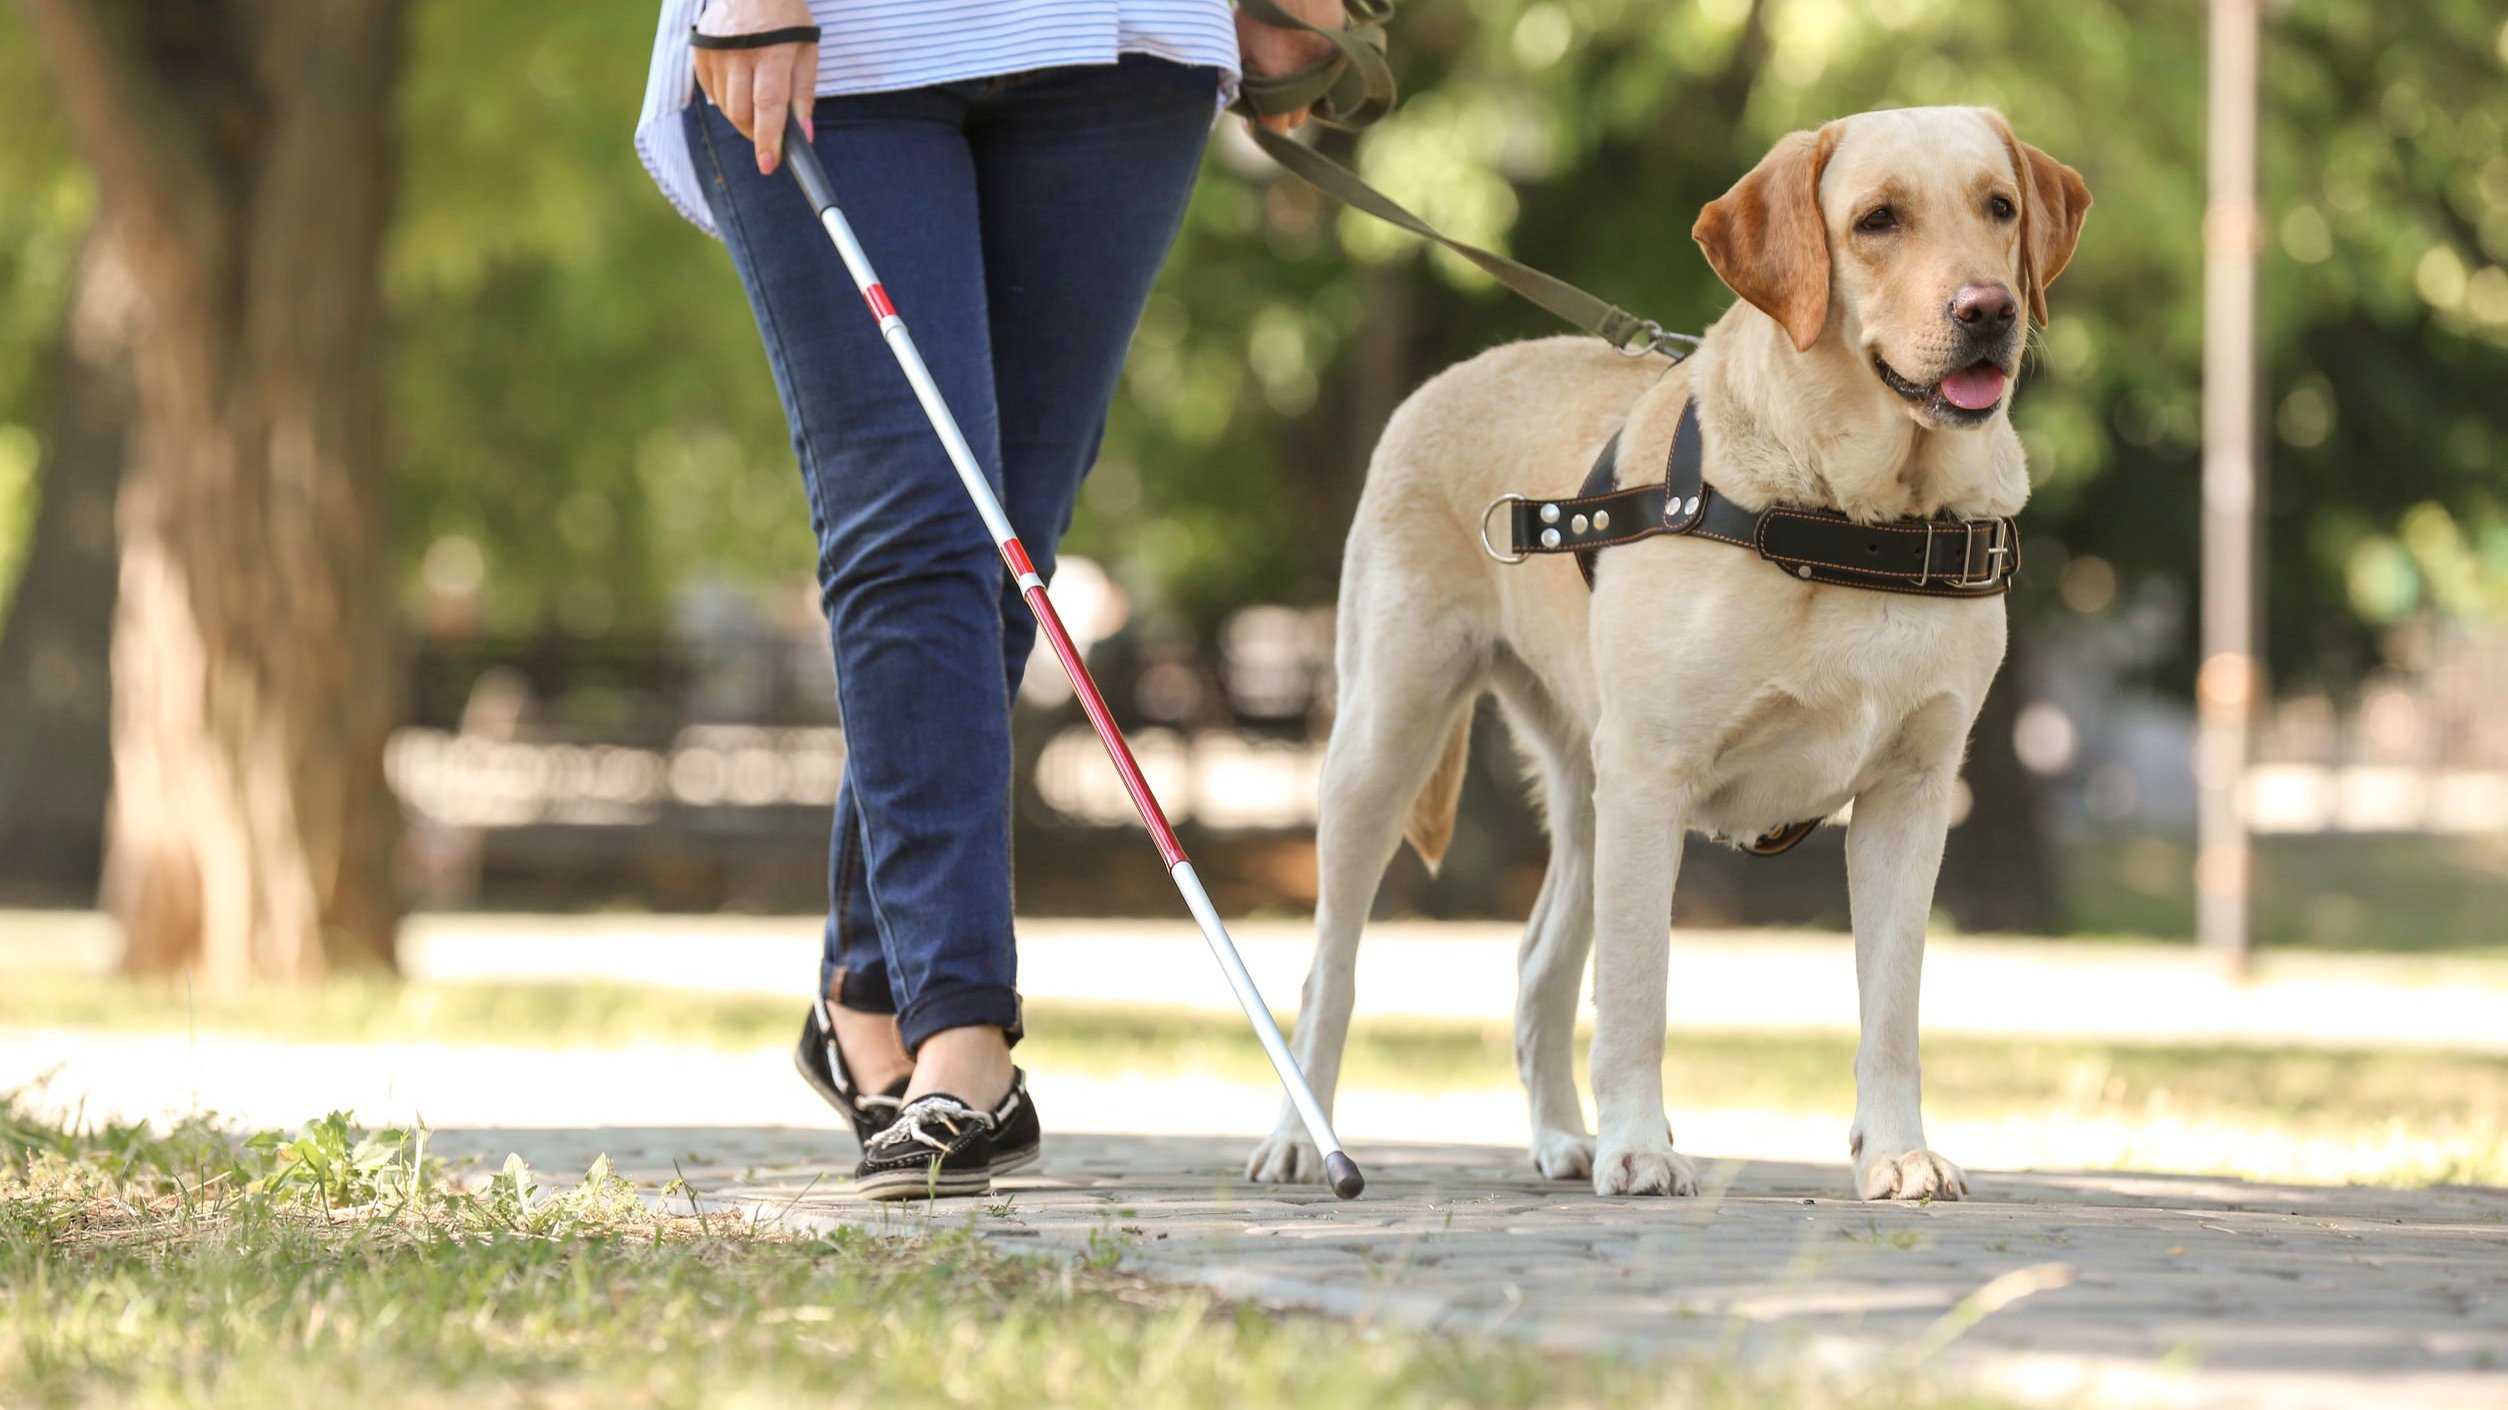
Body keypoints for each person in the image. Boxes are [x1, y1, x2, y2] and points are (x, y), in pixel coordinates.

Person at [634, 0, 1344, 1198]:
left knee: (1000, 553)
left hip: (1124, 48)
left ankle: (870, 992)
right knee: (917, 530)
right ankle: (965, 1043)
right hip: (847, 39)